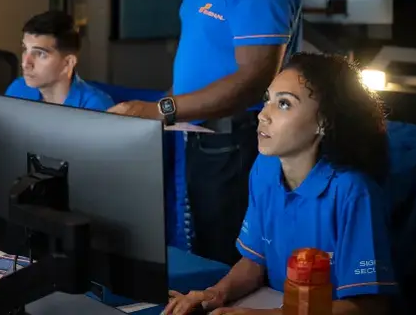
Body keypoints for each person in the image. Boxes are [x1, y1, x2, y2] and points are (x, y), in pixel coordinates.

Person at [108, 0, 302, 265]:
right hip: (200, 139)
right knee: (203, 259)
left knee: (226, 264)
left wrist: (160, 110)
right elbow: (199, 71)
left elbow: (254, 80)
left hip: (237, 144)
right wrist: (153, 115)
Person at [163, 53, 397, 315]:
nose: (263, 115)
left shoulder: (353, 192)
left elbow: (369, 306)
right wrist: (213, 295)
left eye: (284, 104)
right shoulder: (265, 168)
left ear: (324, 122)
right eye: (267, 100)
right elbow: (255, 261)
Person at [5, 10, 114, 111]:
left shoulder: (96, 107)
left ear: (68, 63)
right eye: (25, 49)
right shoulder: (18, 88)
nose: (25, 64)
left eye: (40, 54)